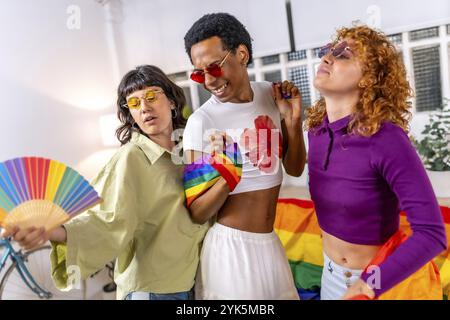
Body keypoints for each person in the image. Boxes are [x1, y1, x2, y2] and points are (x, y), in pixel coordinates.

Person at [1, 65, 208, 300]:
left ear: (171, 101)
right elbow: (107, 220)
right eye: (134, 103)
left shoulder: (190, 153)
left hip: (192, 282)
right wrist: (53, 230)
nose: (145, 107)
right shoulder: (131, 158)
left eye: (151, 96)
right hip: (153, 290)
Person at [306, 25, 447, 299]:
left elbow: (431, 234)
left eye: (343, 55)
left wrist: (369, 283)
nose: (326, 58)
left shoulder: (386, 138)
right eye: (328, 51)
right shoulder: (316, 132)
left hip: (378, 283)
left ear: (368, 79)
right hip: (329, 276)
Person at [182, 12, 306, 299]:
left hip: (270, 244)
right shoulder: (202, 121)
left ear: (241, 54)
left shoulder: (270, 96)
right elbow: (197, 212)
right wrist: (229, 174)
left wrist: (292, 121)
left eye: (214, 67)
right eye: (200, 73)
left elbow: (296, 169)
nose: (209, 82)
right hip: (231, 251)